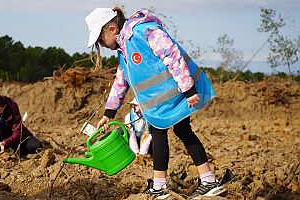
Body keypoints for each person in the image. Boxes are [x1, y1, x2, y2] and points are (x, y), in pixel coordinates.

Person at [86, 7, 226, 199]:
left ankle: (161, 186)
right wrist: (108, 113)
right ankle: (206, 180)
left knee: (162, 131)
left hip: (178, 95)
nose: (101, 45)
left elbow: (173, 56)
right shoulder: (124, 48)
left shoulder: (145, 31)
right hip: (163, 102)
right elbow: (121, 81)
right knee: (178, 131)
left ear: (111, 29)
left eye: (100, 39)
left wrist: (188, 89)